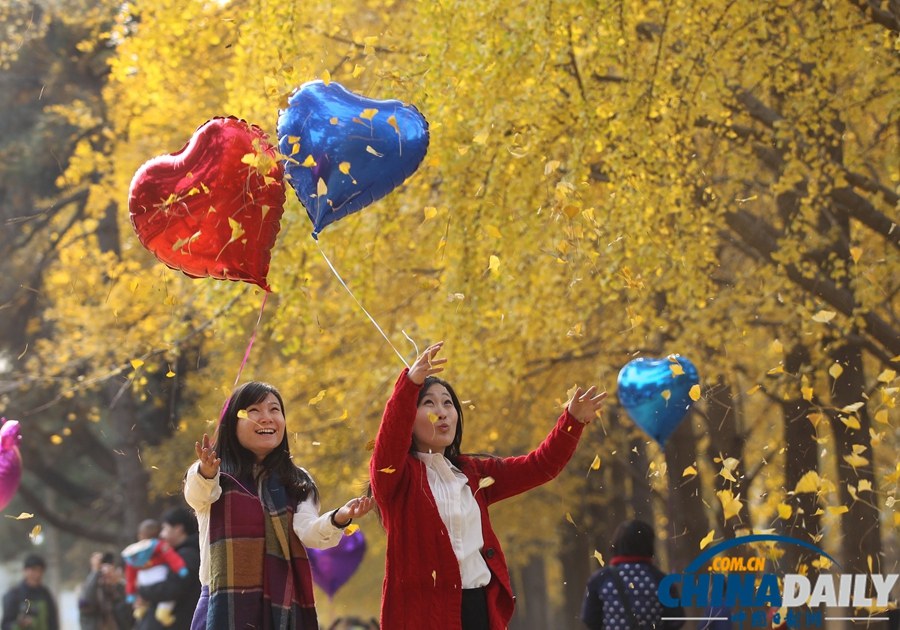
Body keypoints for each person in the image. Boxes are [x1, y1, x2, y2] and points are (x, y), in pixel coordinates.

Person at [370, 341, 607, 630]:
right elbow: (388, 443)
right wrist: (409, 385)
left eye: (448, 403)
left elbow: (538, 467)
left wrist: (572, 422)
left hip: (479, 611)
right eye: (428, 403)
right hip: (423, 617)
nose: (442, 412)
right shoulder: (396, 480)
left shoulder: (473, 472)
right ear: (410, 414)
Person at [186, 381, 376, 630]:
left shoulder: (297, 480)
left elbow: (307, 531)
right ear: (232, 423)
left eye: (274, 410)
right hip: (222, 604)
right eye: (254, 410)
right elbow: (199, 495)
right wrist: (207, 472)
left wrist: (339, 517)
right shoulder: (213, 474)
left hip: (282, 605)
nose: (266, 418)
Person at [580, 519, 685, 630]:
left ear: (617, 543)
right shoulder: (660, 580)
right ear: (649, 544)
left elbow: (589, 619)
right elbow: (676, 620)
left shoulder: (600, 579)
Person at [132, 508, 200, 630]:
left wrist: (142, 590)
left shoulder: (187, 555)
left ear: (179, 528)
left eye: (164, 528)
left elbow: (172, 589)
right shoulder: (182, 553)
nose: (161, 535)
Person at [121, 519, 188, 626]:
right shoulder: (160, 545)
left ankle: (140, 610)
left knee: (142, 607)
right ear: (158, 535)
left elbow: (130, 574)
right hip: (160, 576)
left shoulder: (134, 552)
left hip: (143, 581)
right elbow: (171, 557)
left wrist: (130, 592)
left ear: (140, 537)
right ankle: (164, 615)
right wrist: (180, 568)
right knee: (165, 606)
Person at [1, 555, 59, 630]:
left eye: (40, 570)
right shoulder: (14, 595)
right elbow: (5, 625)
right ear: (24, 570)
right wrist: (19, 624)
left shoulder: (45, 594)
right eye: (33, 570)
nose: (37, 574)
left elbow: (53, 622)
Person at [79, 552, 131, 630]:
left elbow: (130, 611)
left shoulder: (117, 591)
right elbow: (86, 603)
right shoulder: (86, 591)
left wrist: (116, 582)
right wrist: (95, 572)